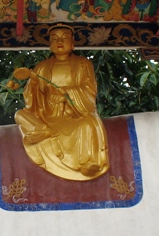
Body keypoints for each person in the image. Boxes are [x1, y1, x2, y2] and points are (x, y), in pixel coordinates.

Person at [13, 25, 109, 181]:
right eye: (54, 38)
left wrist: (68, 93)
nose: (59, 41)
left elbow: (89, 89)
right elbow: (31, 101)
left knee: (88, 124)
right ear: (50, 44)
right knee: (20, 114)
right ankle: (44, 130)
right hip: (47, 115)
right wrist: (35, 83)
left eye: (64, 38)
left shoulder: (83, 64)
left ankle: (88, 162)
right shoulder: (42, 67)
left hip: (74, 114)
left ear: (72, 43)